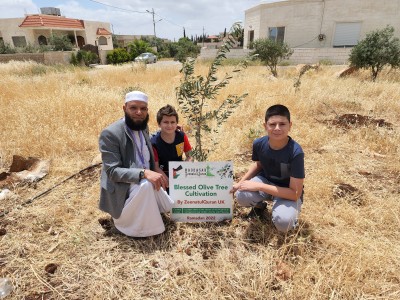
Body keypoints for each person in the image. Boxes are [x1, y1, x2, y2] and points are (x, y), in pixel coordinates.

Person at [98, 91, 174, 237]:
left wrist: (169, 131)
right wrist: (145, 173)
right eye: (133, 108)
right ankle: (130, 227)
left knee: (151, 184)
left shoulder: (142, 126)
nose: (139, 112)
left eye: (143, 108)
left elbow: (146, 142)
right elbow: (113, 172)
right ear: (124, 108)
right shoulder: (110, 134)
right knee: (146, 185)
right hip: (123, 186)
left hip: (142, 178)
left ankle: (146, 216)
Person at [231, 104, 304, 233]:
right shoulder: (259, 144)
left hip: (286, 191)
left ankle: (287, 214)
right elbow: (258, 165)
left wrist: (259, 187)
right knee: (241, 195)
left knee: (284, 223)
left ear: (290, 125)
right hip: (266, 180)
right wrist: (240, 183)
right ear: (265, 126)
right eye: (272, 124)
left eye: (282, 124)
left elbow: (295, 193)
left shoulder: (295, 152)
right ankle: (260, 206)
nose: (277, 128)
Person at [151, 104, 193, 183]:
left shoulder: (181, 137)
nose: (169, 125)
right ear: (159, 124)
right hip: (163, 175)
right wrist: (169, 182)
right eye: (166, 122)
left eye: (173, 122)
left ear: (177, 123)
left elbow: (190, 156)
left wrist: (185, 168)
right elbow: (156, 167)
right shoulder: (154, 143)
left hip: (180, 172)